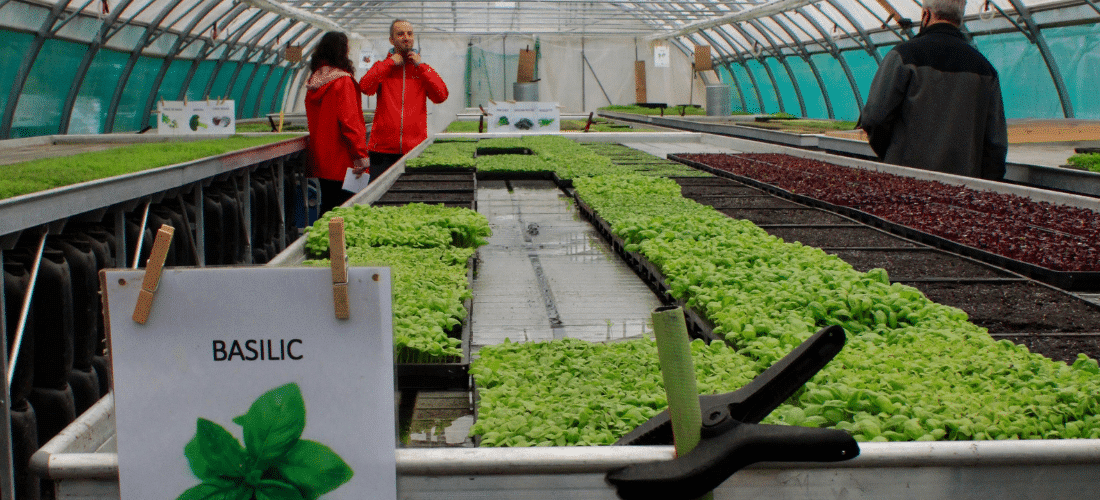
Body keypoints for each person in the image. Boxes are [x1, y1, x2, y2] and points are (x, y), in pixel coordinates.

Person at [859, 0, 1007, 181]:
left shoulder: (902, 57)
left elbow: (874, 117)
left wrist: (893, 155)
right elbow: (996, 145)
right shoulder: (985, 70)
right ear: (959, 19)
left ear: (926, 15)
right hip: (962, 190)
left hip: (903, 184)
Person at [355, 19, 449, 180]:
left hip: (414, 149)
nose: (406, 37)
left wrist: (422, 67)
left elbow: (441, 96)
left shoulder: (422, 70)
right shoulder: (383, 66)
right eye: (400, 34)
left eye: (409, 33)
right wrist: (390, 63)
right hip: (382, 150)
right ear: (391, 39)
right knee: (380, 200)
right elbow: (364, 87)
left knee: (410, 198)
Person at [304, 31, 370, 215]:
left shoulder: (314, 81)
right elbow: (350, 122)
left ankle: (325, 242)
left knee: (327, 207)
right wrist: (361, 156)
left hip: (322, 158)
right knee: (345, 210)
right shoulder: (343, 82)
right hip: (343, 159)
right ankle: (338, 244)